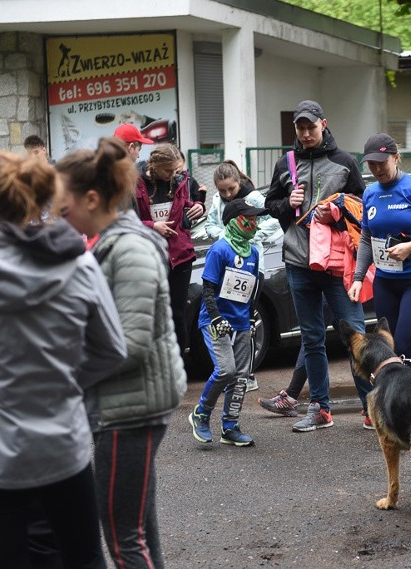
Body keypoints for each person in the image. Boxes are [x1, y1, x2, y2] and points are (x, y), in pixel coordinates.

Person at [0, 151, 127, 569]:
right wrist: (68, 381)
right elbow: (111, 349)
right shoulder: (80, 264)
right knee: (84, 557)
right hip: (62, 447)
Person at [54, 137, 187, 569]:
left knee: (124, 537)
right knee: (138, 532)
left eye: (63, 204)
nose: (58, 213)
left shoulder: (129, 248)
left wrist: (65, 374)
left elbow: (129, 343)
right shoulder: (110, 241)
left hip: (130, 407)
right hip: (127, 401)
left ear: (91, 198)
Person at [264, 99, 372, 432]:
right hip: (299, 262)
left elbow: (363, 206)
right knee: (311, 338)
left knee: (355, 335)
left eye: (311, 126)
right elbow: (269, 204)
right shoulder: (286, 163)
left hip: (338, 265)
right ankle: (320, 409)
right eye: (301, 127)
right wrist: (287, 203)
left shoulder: (344, 162)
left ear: (323, 124)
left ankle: (373, 409)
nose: (306, 133)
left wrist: (338, 208)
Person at [347, 133, 411, 377]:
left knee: (404, 348)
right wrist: (359, 278)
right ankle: (394, 409)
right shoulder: (370, 193)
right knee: (388, 349)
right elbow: (366, 237)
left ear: (396, 158)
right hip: (386, 281)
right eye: (371, 165)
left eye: (381, 163)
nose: (377, 169)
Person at [190, 200, 265, 447]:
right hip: (216, 322)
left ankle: (230, 426)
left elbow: (250, 291)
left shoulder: (253, 252)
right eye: (249, 218)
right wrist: (216, 317)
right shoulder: (219, 250)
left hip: (242, 322)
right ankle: (201, 414)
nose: (254, 223)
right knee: (226, 370)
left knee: (241, 376)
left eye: (256, 219)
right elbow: (208, 289)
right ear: (236, 221)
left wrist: (252, 317)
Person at [136, 143, 206, 354]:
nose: (173, 174)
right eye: (168, 170)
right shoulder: (136, 184)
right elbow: (128, 219)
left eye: (176, 170)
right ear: (154, 165)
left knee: (178, 313)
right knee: (153, 313)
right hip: (150, 256)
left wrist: (198, 207)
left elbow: (186, 206)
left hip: (180, 255)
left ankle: (178, 371)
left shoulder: (180, 180)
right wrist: (152, 226)